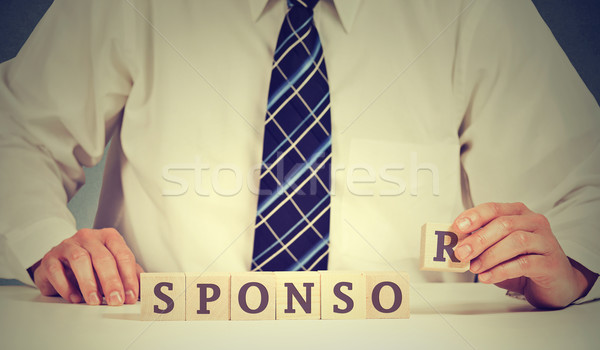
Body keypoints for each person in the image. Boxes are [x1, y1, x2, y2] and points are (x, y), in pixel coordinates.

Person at [0, 0, 598, 309]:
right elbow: (15, 134)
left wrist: (568, 271)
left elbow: (584, 188)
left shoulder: (475, 10)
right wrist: (45, 241)